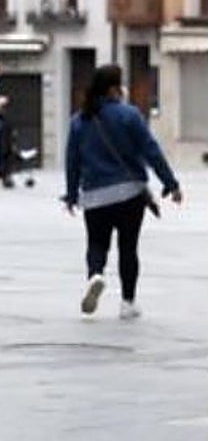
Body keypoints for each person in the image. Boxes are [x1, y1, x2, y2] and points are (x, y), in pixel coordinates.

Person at [61, 65, 182, 320]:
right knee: (128, 247)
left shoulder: (79, 120)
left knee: (96, 243)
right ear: (115, 88)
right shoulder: (129, 115)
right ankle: (128, 303)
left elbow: (72, 161)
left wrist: (72, 195)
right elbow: (151, 151)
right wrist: (170, 184)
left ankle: (95, 274)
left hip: (94, 195)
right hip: (129, 194)